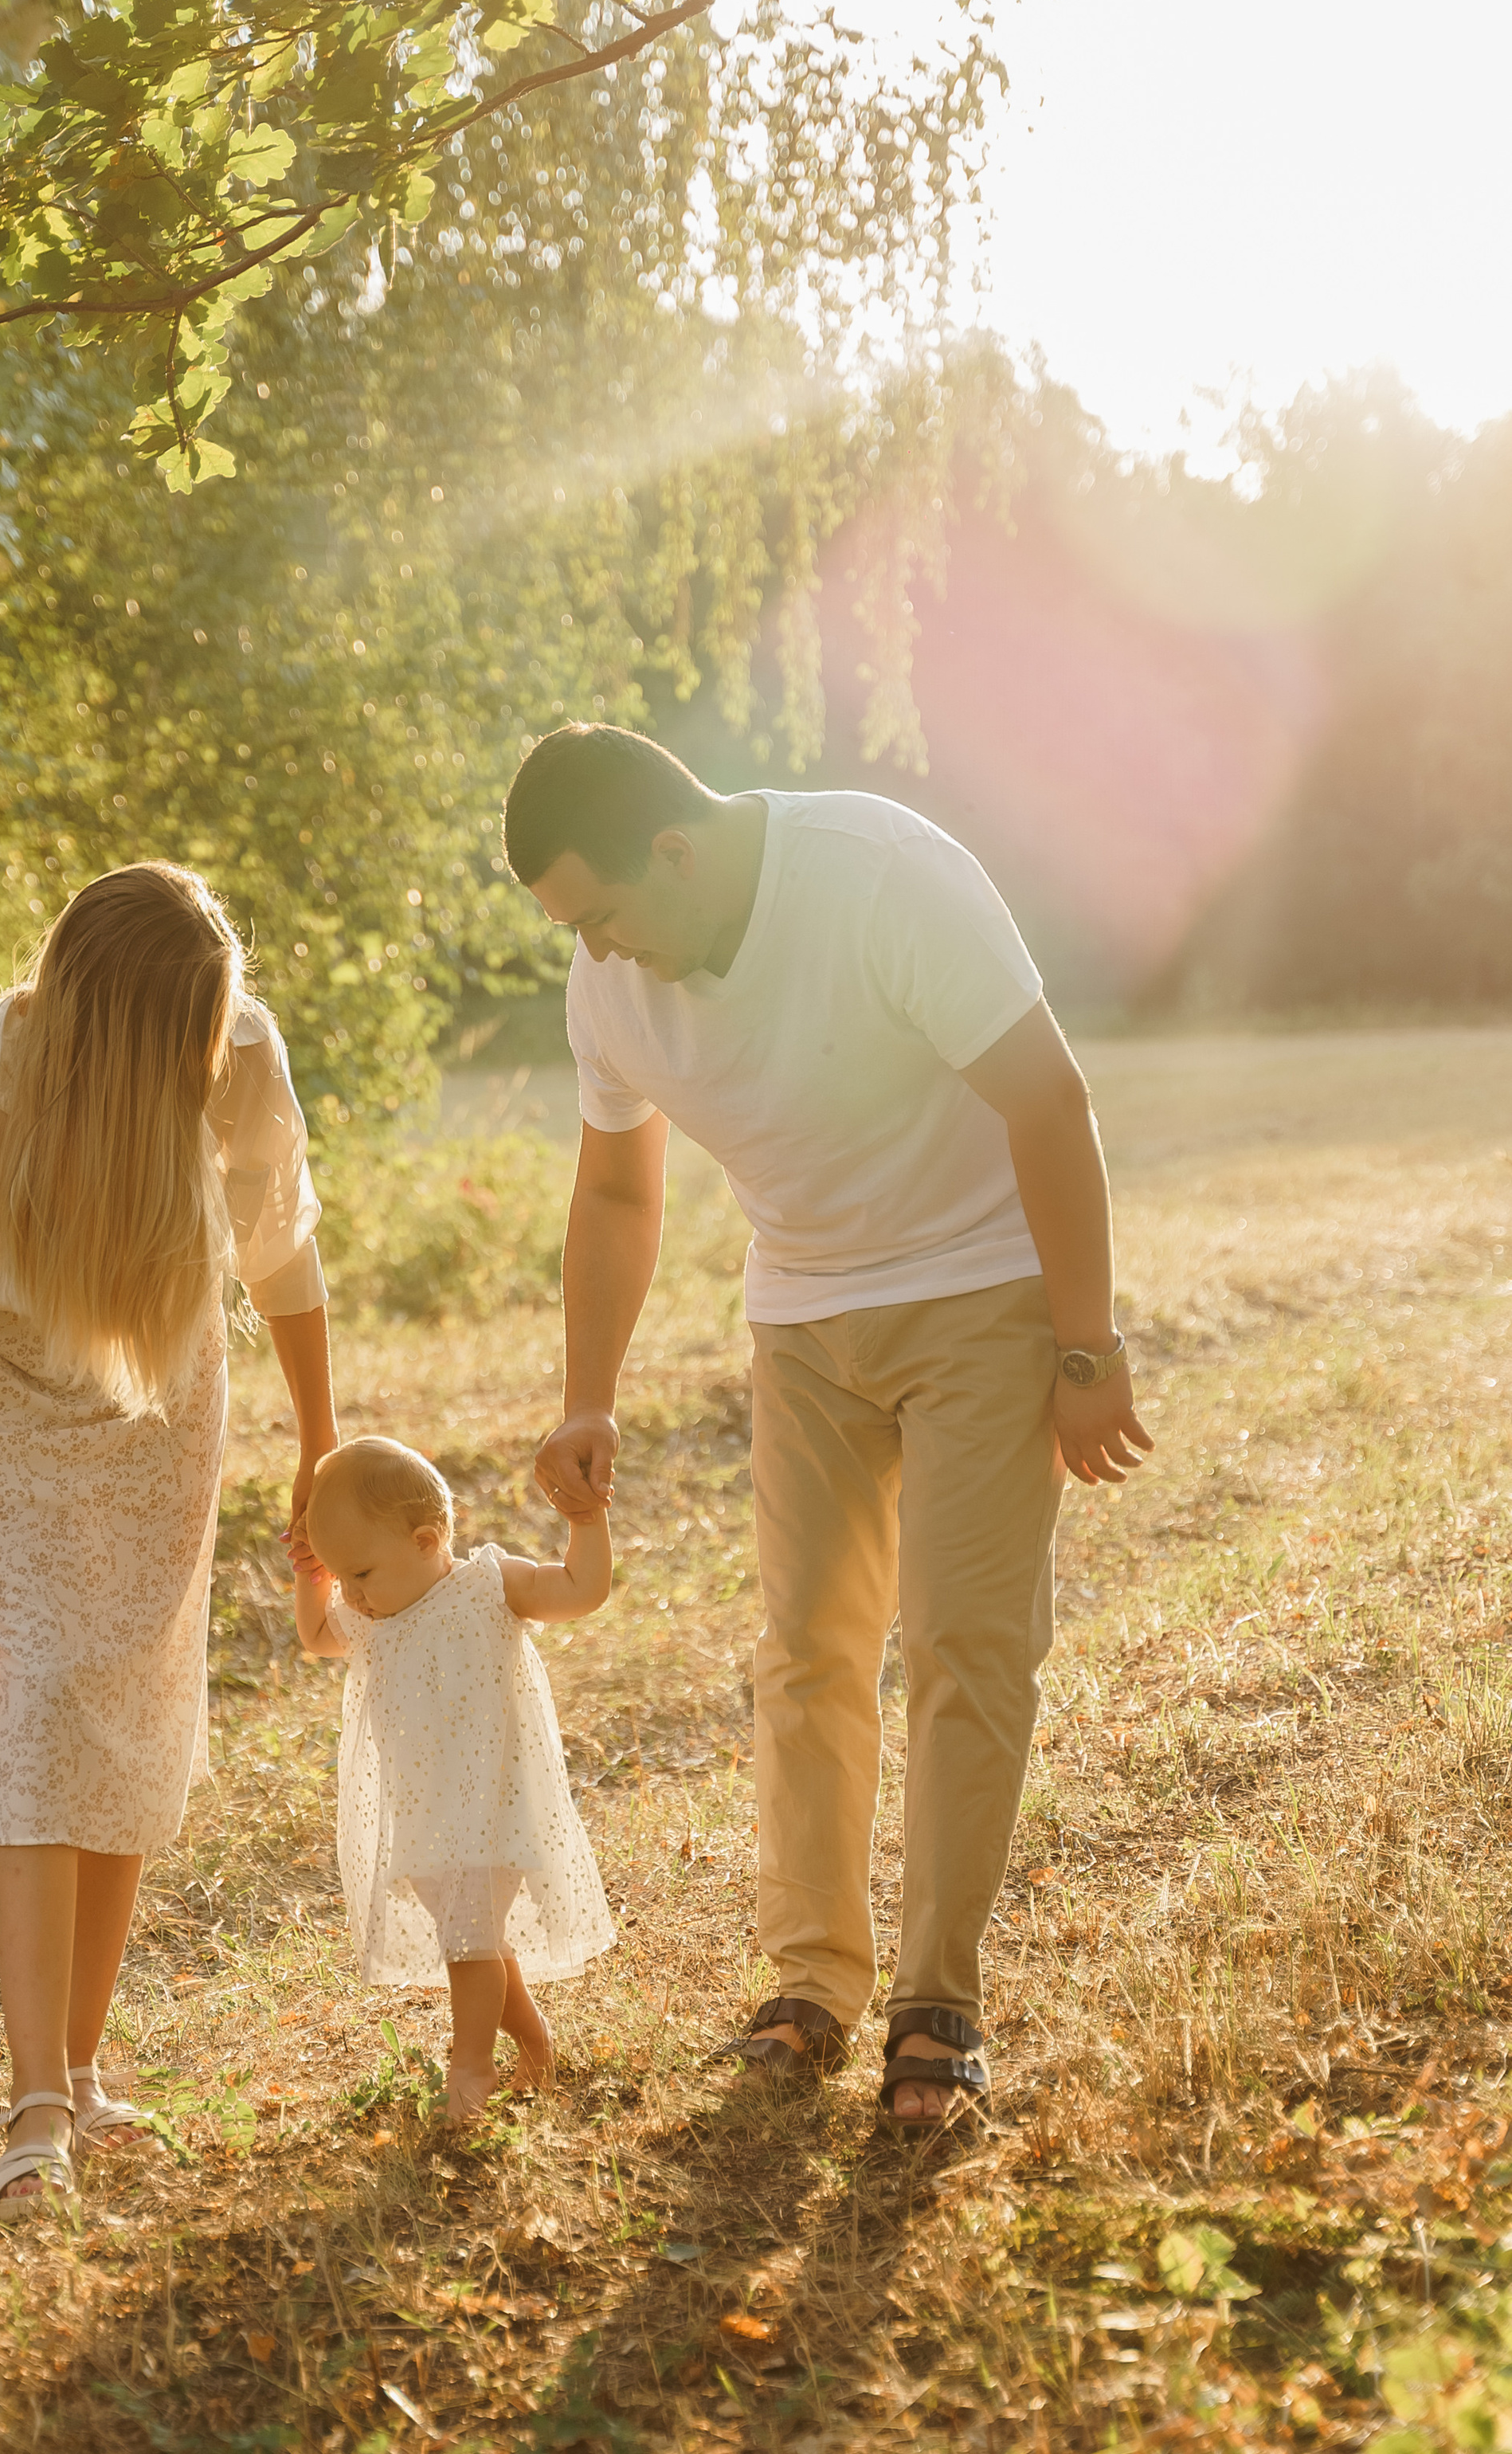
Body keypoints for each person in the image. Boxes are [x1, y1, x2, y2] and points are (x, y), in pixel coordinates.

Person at [503, 725, 1152, 2130]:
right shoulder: (611, 983)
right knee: (807, 1652)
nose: (596, 952)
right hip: (803, 1318)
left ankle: (938, 2002)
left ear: (674, 851)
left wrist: (1086, 1347)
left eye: (600, 916)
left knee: (967, 1645)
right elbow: (615, 1192)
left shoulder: (879, 873)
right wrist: (588, 1392)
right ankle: (813, 1983)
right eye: (572, 930)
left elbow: (1049, 1097)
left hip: (981, 1289)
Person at [0, 862, 339, 2213]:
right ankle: (32, 2111)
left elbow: (282, 1256)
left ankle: (76, 2075)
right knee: (34, 1707)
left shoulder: (239, 1047)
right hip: (6, 1399)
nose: (215, 1051)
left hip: (164, 1393)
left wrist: (318, 1450)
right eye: (191, 1033)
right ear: (121, 1032)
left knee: (130, 1701)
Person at [292, 1436, 617, 2121]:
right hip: (426, 1817)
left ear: (425, 1540)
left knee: (469, 1943)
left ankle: (470, 2067)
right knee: (476, 1939)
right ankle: (535, 2044)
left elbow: (581, 1589)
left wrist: (586, 1520)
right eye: (341, 1578)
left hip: (494, 1804)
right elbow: (318, 1636)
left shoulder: (488, 1587)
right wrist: (309, 1577)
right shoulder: (375, 1619)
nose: (351, 1594)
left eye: (360, 1573)